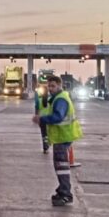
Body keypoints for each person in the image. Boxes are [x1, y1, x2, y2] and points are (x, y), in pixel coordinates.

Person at [32, 75, 83, 206]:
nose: (50, 88)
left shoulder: (60, 99)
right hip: (62, 136)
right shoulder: (56, 98)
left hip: (63, 136)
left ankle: (66, 194)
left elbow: (58, 117)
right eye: (49, 86)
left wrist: (42, 119)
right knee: (60, 166)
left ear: (60, 86)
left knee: (61, 167)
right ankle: (62, 190)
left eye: (53, 86)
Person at [33, 86, 50, 153]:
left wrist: (37, 117)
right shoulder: (50, 99)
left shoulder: (39, 100)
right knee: (48, 133)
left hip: (42, 119)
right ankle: (48, 144)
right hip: (49, 119)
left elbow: (37, 110)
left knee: (44, 134)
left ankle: (45, 147)